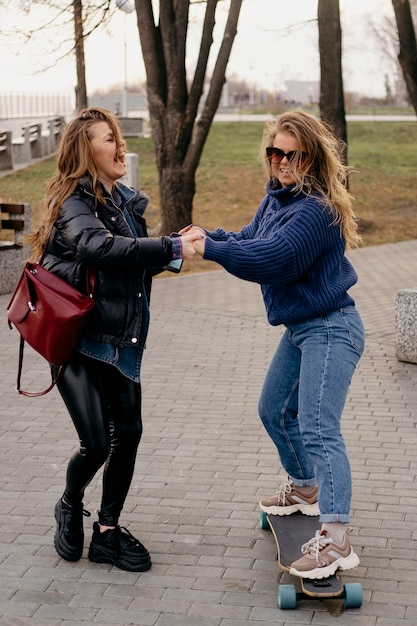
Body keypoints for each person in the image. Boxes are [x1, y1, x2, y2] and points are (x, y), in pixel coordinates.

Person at [183, 110, 365, 579]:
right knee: (273, 411)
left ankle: (337, 538)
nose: (282, 162)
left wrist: (212, 251)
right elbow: (249, 238)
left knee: (320, 427)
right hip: (304, 327)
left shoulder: (315, 211)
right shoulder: (279, 200)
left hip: (331, 327)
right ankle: (305, 487)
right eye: (275, 153)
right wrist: (207, 234)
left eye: (294, 155)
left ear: (312, 158)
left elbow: (272, 258)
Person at [27, 107, 202, 572]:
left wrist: (178, 250)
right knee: (97, 444)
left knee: (128, 434)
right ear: (88, 151)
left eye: (118, 137)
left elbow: (128, 261)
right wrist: (167, 246)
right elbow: (99, 248)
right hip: (78, 339)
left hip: (120, 337)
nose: (121, 146)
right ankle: (69, 503)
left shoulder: (124, 202)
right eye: (110, 139)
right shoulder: (72, 203)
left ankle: (107, 531)